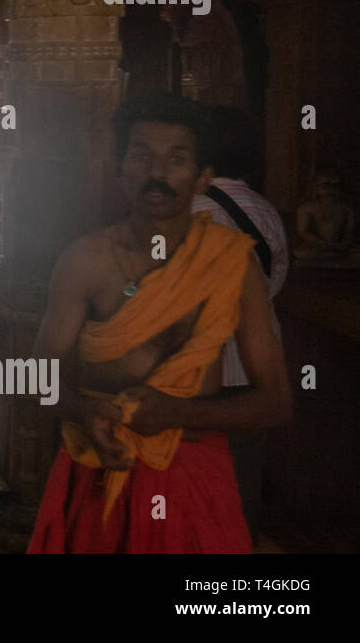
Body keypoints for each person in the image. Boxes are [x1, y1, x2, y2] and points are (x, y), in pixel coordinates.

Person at [28, 92, 291, 553]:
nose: (157, 174)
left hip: (196, 473)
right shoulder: (84, 261)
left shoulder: (230, 263)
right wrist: (82, 412)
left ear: (203, 175)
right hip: (99, 465)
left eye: (176, 159)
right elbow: (35, 378)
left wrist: (178, 414)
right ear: (119, 168)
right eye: (141, 156)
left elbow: (276, 402)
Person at [190, 105, 288, 539]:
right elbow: (272, 287)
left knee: (195, 496)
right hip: (257, 373)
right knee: (239, 496)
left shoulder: (191, 212)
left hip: (202, 378)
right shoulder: (266, 212)